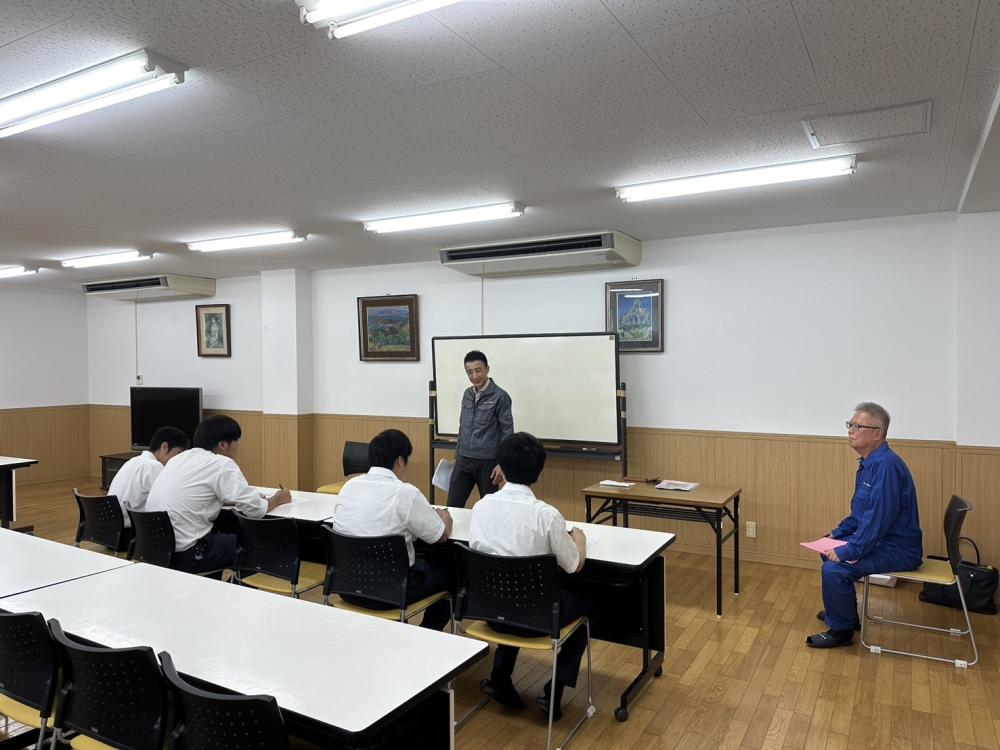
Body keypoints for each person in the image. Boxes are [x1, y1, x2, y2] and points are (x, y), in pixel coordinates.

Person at [468, 432, 591, 720]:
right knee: (588, 606)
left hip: (489, 611)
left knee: (510, 590)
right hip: (535, 618)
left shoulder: (481, 506)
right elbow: (574, 565)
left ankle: (500, 676)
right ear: (539, 471)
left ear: (501, 467)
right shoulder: (546, 515)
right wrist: (579, 538)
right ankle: (554, 691)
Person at [806, 402, 923, 648]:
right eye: (850, 425)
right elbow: (860, 514)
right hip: (882, 541)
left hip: (898, 549)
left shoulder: (887, 466)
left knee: (835, 569)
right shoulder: (869, 463)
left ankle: (841, 631)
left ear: (878, 433)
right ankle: (846, 616)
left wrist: (848, 550)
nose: (851, 430)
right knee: (828, 553)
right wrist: (837, 534)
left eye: (858, 426)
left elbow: (877, 522)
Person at [331, 429, 454, 630]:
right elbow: (441, 536)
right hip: (391, 592)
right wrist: (445, 517)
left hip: (347, 587)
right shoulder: (405, 493)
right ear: (400, 461)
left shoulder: (349, 487)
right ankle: (428, 632)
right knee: (453, 569)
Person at [146, 414, 291, 575]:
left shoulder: (177, 460)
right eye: (237, 442)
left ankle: (212, 591)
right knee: (255, 546)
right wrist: (278, 498)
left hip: (155, 551)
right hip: (186, 555)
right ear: (223, 445)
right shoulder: (221, 463)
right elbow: (255, 509)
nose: (239, 448)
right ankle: (235, 593)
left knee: (221, 536)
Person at [446, 350, 514, 508]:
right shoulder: (467, 394)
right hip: (463, 459)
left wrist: (502, 464)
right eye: (469, 372)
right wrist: (457, 455)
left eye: (478, 370)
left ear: (487, 369)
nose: (474, 376)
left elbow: (507, 432)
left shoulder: (500, 396)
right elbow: (462, 426)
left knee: (490, 508)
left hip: (488, 462)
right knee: (452, 505)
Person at [108, 426, 190, 527]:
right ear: (164, 447)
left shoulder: (133, 461)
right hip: (130, 529)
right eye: (178, 453)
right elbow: (170, 500)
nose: (178, 459)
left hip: (113, 524)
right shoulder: (153, 466)